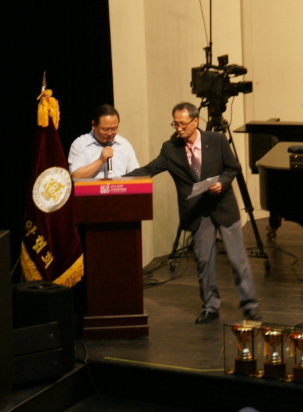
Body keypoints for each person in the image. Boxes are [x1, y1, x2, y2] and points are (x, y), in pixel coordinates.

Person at [126, 102, 258, 323]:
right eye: (175, 124)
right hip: (197, 212)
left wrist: (222, 183)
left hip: (223, 207)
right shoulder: (171, 148)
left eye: (183, 124)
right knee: (204, 261)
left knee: (238, 260)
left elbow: (232, 168)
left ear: (196, 121)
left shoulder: (217, 140)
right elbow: (149, 169)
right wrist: (117, 181)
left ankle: (250, 305)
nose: (179, 128)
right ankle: (210, 307)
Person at [67, 104, 140, 180]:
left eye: (114, 129)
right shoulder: (80, 144)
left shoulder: (124, 145)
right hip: (92, 188)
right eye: (105, 130)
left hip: (119, 187)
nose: (110, 133)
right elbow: (76, 177)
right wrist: (101, 160)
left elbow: (136, 176)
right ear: (93, 125)